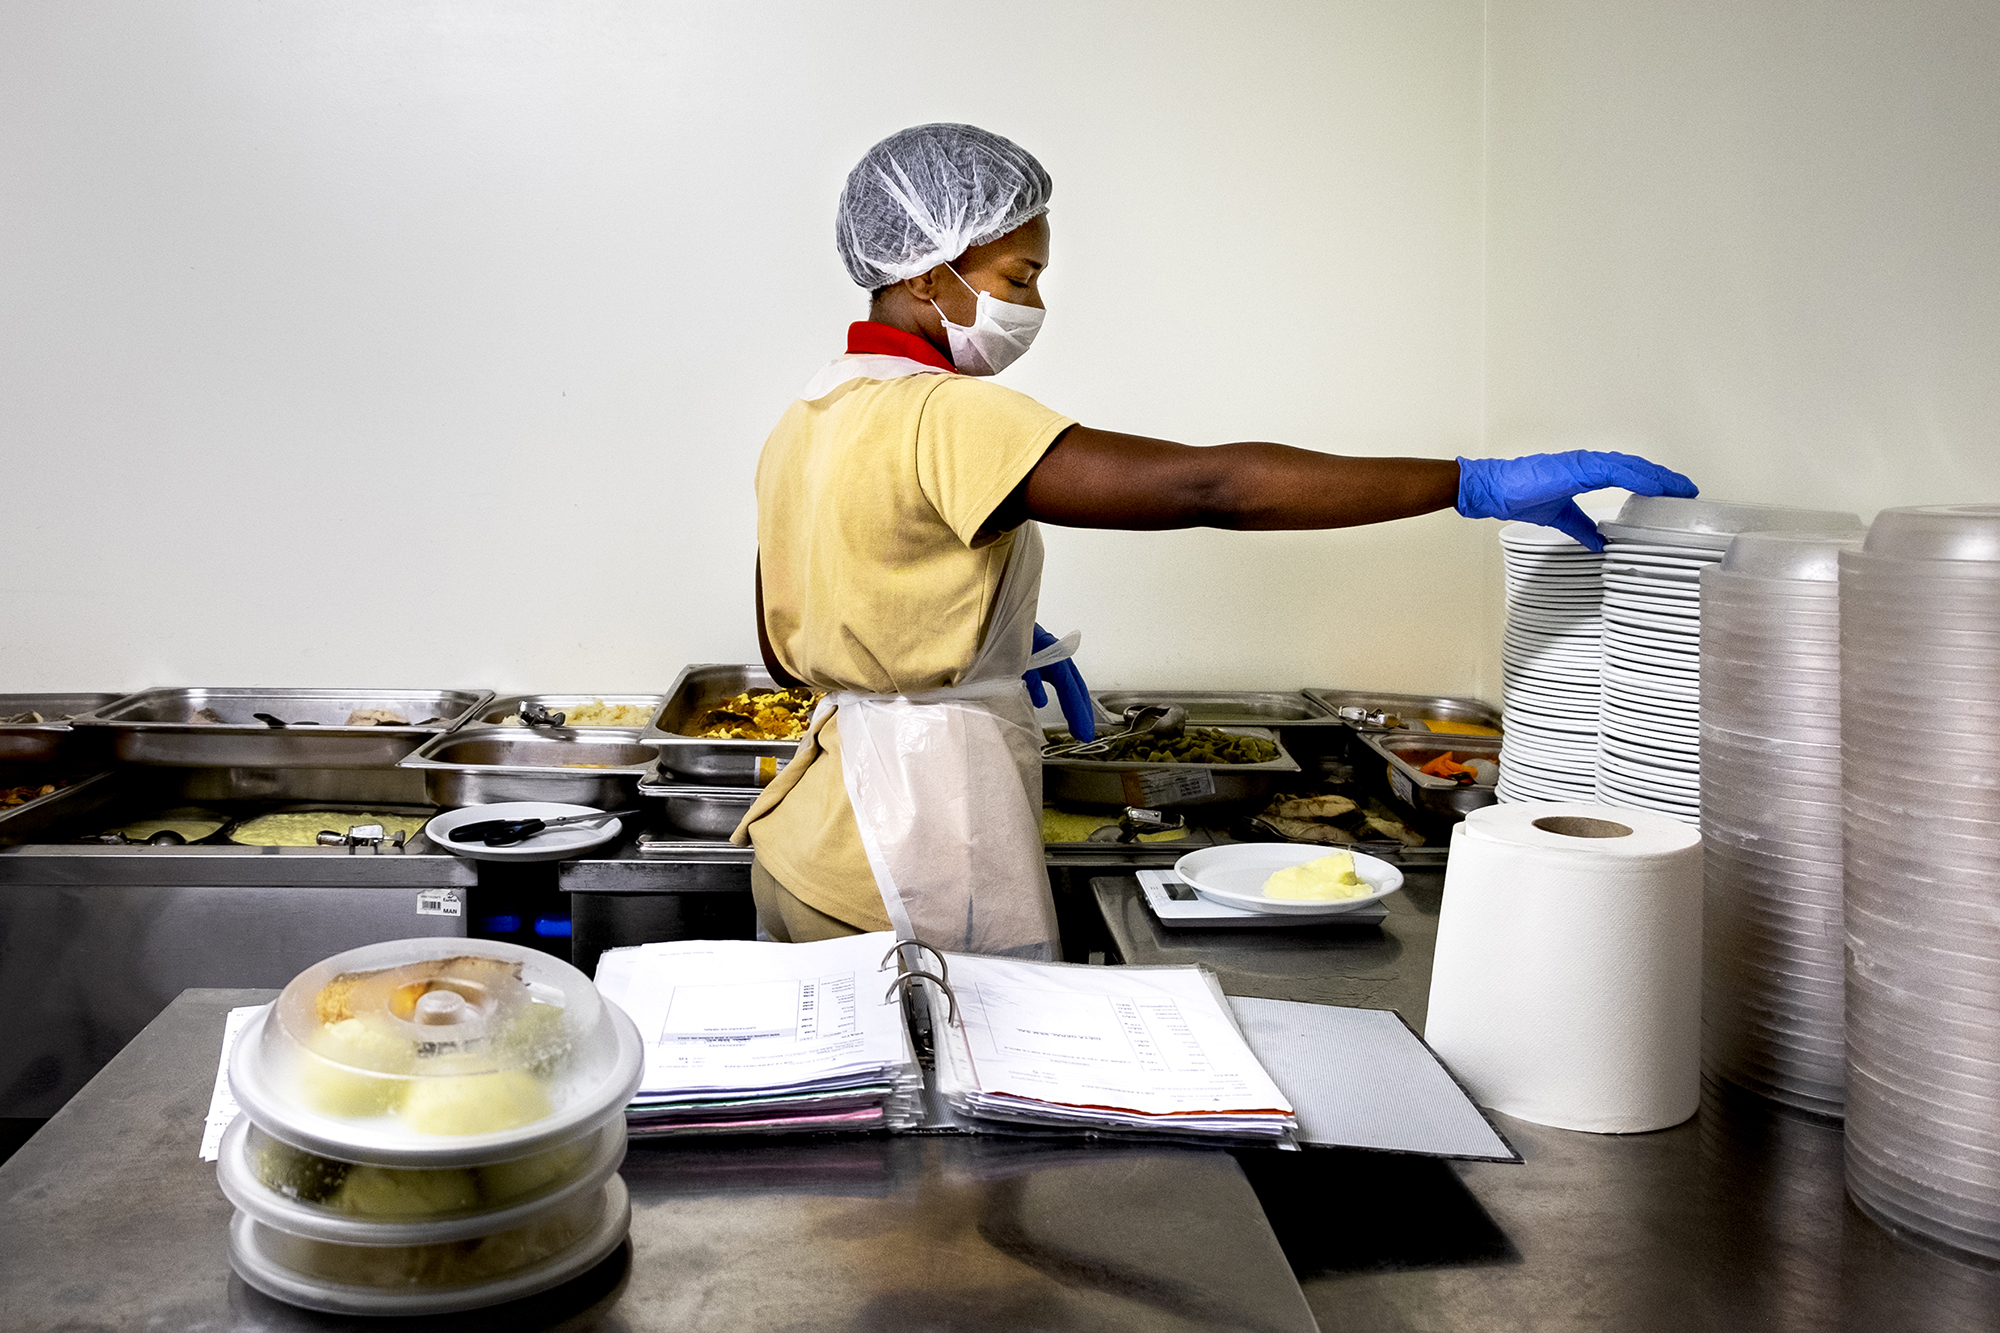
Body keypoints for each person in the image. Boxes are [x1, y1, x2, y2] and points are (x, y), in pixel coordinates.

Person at [732, 123, 1695, 959]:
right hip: (906, 855)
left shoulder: (808, 415)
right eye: (1018, 275)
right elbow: (1213, 487)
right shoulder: (947, 414)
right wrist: (1467, 484)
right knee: (946, 1152)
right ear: (929, 270)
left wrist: (955, 645)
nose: (1031, 301)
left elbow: (786, 654)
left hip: (810, 839)